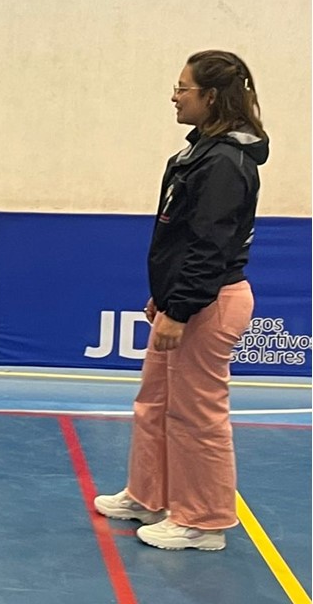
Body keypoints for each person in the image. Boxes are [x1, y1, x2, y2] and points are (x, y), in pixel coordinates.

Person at [95, 50, 268, 551]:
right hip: (183, 299)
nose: (174, 96)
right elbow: (179, 237)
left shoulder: (226, 163)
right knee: (154, 402)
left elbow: (210, 245)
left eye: (182, 88)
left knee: (198, 415)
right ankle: (149, 495)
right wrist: (165, 297)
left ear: (210, 96)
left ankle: (204, 521)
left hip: (210, 302)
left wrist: (183, 307)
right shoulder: (200, 153)